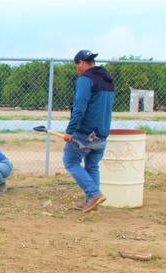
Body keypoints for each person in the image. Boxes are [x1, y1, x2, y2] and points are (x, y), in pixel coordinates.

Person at [64, 49, 114, 213]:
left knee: (70, 162)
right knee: (92, 165)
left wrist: (70, 131)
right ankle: (92, 203)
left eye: (76, 65)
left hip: (85, 133)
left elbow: (79, 107)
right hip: (102, 134)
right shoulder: (107, 79)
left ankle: (93, 194)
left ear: (82, 63)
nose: (77, 68)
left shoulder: (85, 79)